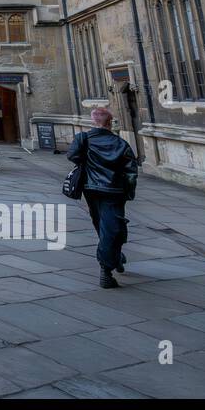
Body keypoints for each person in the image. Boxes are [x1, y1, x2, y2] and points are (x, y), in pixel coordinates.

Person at [67, 106, 139, 289]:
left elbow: (73, 156)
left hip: (91, 188)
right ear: (109, 122)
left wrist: (89, 164)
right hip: (113, 190)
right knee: (112, 226)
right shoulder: (121, 144)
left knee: (104, 224)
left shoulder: (82, 139)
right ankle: (106, 268)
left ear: (93, 120)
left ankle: (113, 255)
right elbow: (131, 171)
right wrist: (129, 192)